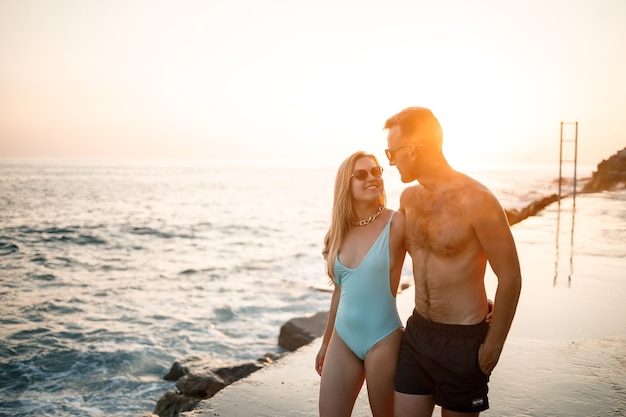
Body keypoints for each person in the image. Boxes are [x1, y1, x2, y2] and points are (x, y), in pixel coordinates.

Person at [383, 107, 522, 417]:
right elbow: (387, 256)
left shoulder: (477, 200)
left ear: (412, 149)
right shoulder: (409, 199)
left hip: (464, 343)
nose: (391, 162)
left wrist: (491, 350)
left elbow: (510, 275)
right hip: (418, 335)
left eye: (392, 154)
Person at [315, 151, 406, 417]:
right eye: (361, 174)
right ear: (346, 184)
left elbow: (431, 264)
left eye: (376, 171)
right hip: (343, 339)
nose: (372, 178)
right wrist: (326, 342)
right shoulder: (339, 232)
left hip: (383, 338)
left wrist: (474, 299)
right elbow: (340, 290)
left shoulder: (397, 222)